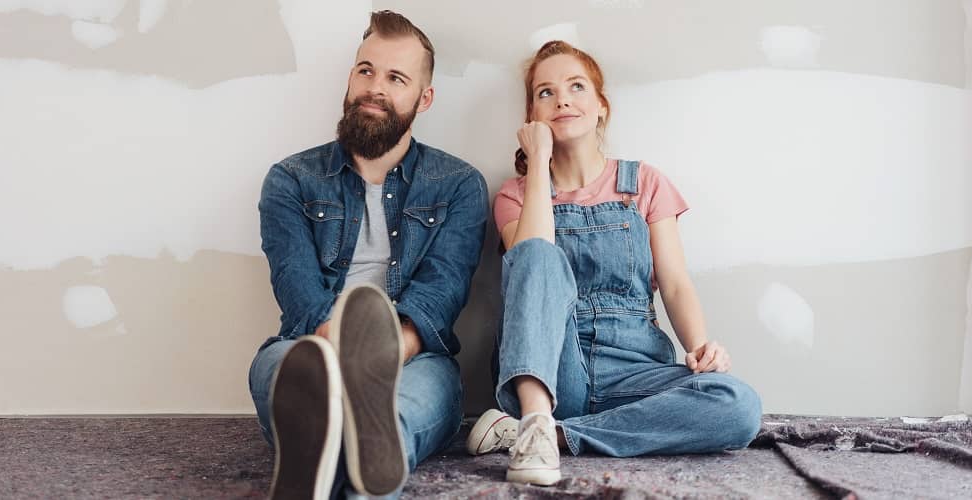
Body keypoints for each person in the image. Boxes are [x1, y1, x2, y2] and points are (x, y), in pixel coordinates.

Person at [465, 40, 762, 486]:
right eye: (545, 93)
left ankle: (546, 436)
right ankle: (536, 415)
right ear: (532, 116)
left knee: (738, 404)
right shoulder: (515, 195)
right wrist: (540, 162)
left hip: (634, 369)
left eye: (576, 86)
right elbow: (534, 260)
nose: (562, 99)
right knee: (537, 253)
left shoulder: (644, 182)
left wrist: (700, 348)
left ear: (601, 107)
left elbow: (676, 283)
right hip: (551, 371)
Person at [248, 10, 488, 499]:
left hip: (414, 359)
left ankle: (327, 449)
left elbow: (440, 296)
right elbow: (299, 293)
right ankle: (330, 428)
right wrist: (342, 360)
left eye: (396, 77)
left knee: (383, 432)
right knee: (298, 388)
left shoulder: (460, 185)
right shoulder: (290, 180)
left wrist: (377, 358)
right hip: (306, 353)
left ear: (424, 98)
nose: (374, 87)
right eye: (366, 70)